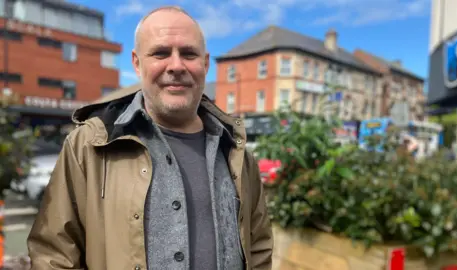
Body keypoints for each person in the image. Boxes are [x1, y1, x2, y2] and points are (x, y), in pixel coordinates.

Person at [27, 6, 273, 270]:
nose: (176, 66)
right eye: (161, 53)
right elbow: (54, 254)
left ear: (205, 63)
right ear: (136, 62)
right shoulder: (89, 146)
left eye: (189, 54)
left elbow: (258, 245)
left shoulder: (236, 154)